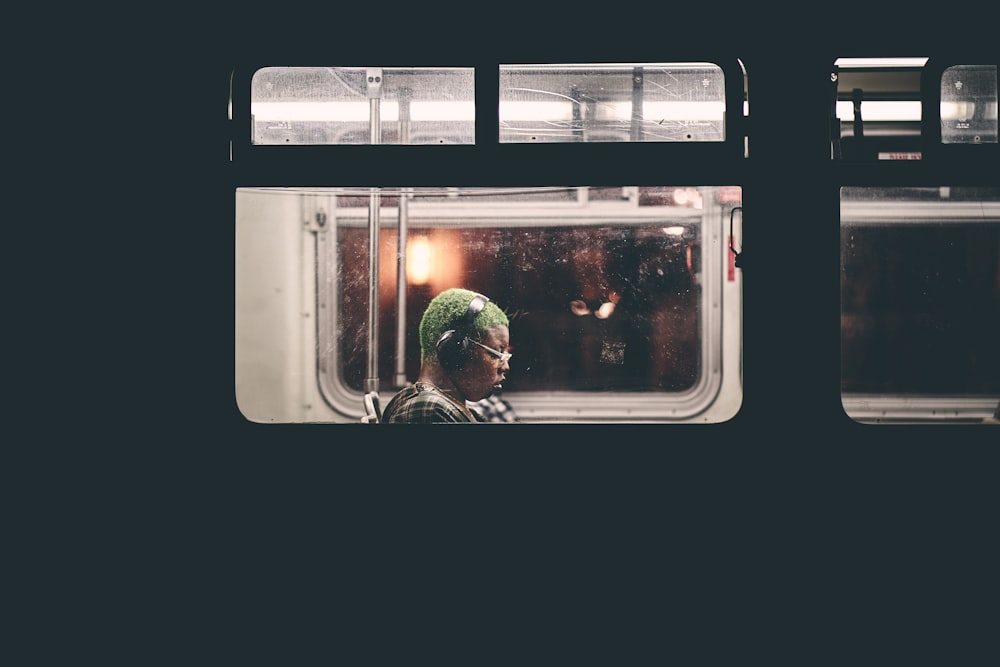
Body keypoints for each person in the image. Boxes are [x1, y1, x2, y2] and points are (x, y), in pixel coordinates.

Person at [381, 288, 512, 423]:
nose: (506, 366)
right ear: (455, 350)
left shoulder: (452, 408)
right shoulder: (428, 411)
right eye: (497, 354)